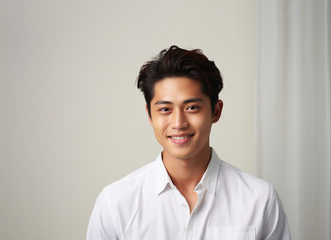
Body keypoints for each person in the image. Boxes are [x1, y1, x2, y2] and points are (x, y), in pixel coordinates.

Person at [87, 46, 291, 239]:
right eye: (165, 109)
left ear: (216, 111)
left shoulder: (260, 200)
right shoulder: (115, 203)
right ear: (149, 116)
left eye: (192, 107)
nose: (178, 123)